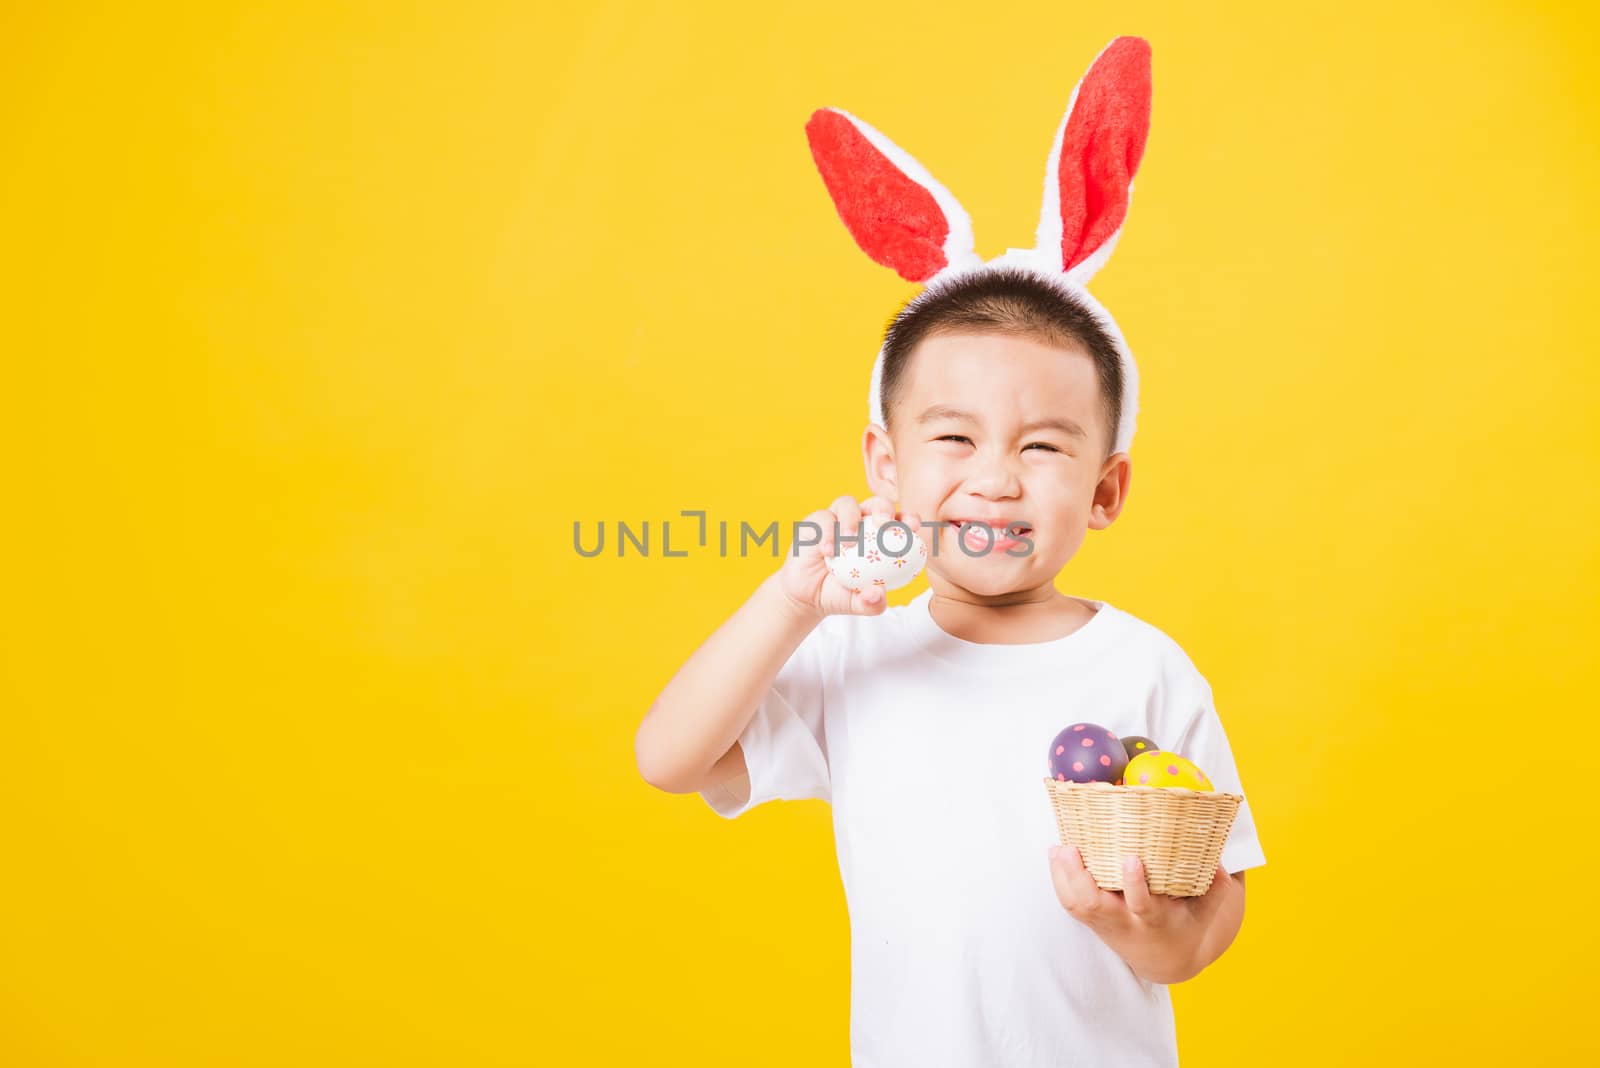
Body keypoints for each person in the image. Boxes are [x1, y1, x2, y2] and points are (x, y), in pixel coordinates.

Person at [635, 36, 1266, 1067]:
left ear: (1105, 489)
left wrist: (1154, 933)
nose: (995, 478)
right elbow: (669, 757)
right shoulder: (856, 655)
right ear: (885, 467)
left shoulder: (1145, 667)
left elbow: (1209, 910)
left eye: (1044, 446)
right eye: (953, 439)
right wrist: (788, 602)